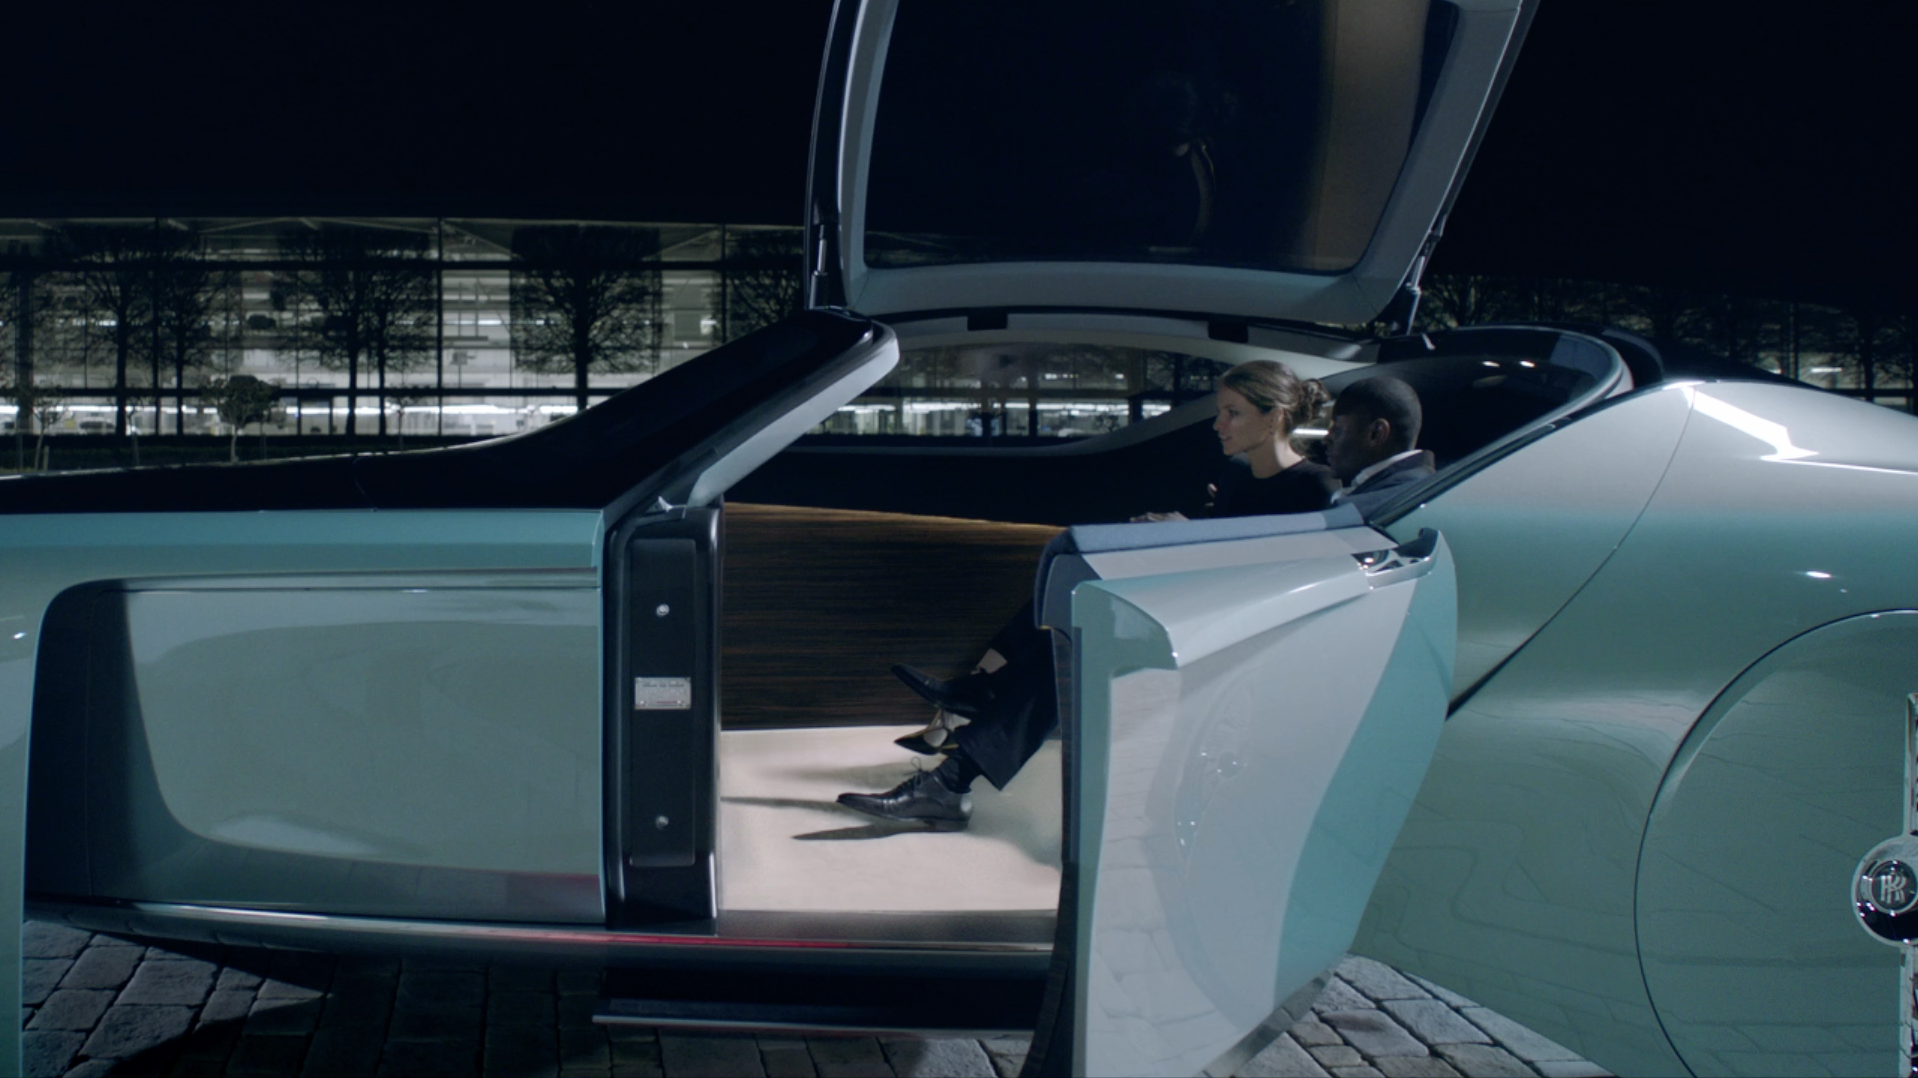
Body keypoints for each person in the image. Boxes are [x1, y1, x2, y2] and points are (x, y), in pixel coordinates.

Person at [837, 359, 1337, 830]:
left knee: (1078, 638)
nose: (1218, 424)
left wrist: (1183, 535)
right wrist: (1179, 530)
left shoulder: (1314, 488)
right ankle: (957, 760)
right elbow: (1226, 543)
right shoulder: (1238, 475)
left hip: (1225, 629)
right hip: (1186, 607)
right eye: (1221, 412)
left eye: (1233, 413)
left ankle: (968, 731)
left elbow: (1271, 574)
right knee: (1073, 587)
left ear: (1274, 417)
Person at [1322, 376, 1435, 517]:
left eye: (1338, 429)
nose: (1326, 439)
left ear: (1377, 433)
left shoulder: (1359, 510)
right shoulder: (1426, 488)